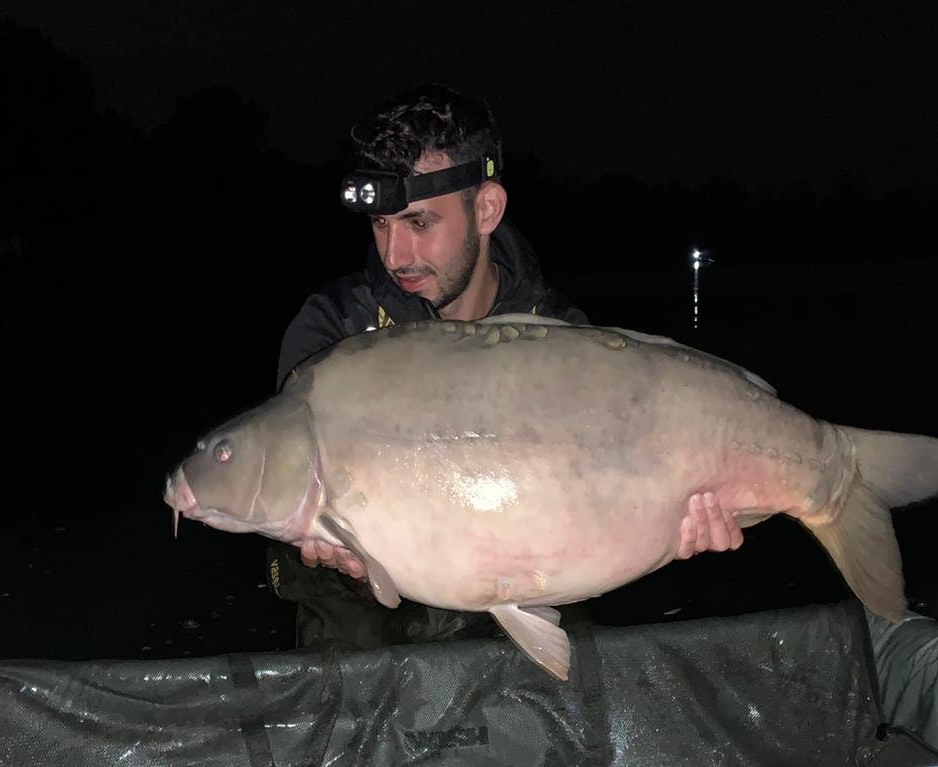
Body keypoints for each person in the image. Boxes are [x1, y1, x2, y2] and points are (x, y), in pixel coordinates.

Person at [267, 83, 744, 653]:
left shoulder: (562, 338)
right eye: (380, 225)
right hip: (366, 605)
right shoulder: (334, 331)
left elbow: (616, 492)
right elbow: (287, 480)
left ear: (486, 209)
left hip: (531, 577)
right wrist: (321, 544)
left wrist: (668, 525)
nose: (394, 255)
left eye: (419, 224)